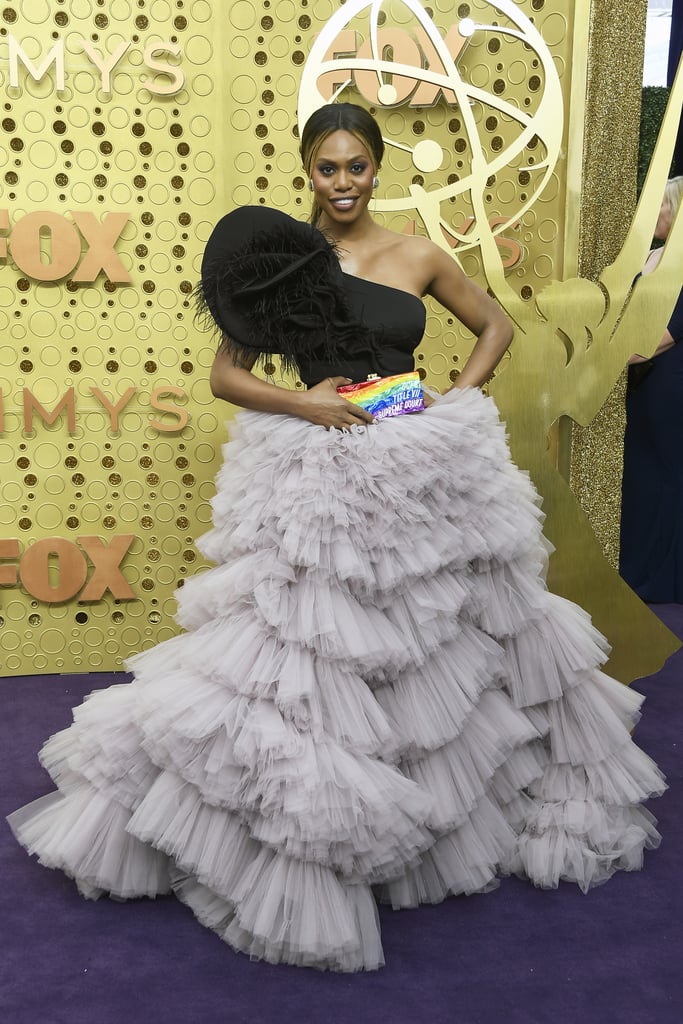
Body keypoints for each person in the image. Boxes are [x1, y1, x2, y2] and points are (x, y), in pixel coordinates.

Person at [8, 103, 665, 972]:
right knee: (315, 646)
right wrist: (308, 403)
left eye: (356, 166)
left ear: (377, 168)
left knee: (444, 636)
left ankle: (434, 814)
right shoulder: (281, 264)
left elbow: (496, 326)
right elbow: (225, 376)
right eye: (328, 168)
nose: (343, 182)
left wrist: (453, 395)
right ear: (306, 171)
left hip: (415, 457)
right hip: (318, 465)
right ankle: (322, 824)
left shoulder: (420, 255)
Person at [620, 175, 683, 602]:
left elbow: (663, 335)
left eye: (662, 205)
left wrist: (610, 353)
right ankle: (639, 573)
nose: (654, 214)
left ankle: (662, 582)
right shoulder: (654, 258)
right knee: (643, 477)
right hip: (643, 386)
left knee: (664, 479)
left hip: (669, 385)